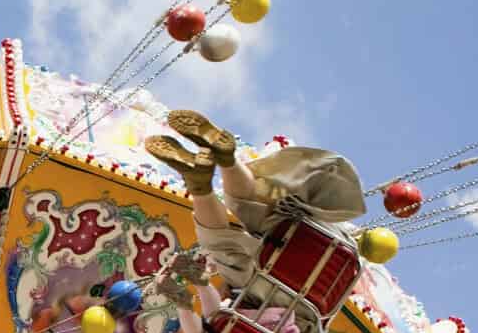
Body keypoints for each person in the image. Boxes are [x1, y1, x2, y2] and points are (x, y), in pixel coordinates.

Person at [143, 111, 365, 291]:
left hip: (303, 230)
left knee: (252, 201)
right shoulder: (348, 267)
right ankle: (199, 186)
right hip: (273, 284)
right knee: (220, 242)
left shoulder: (346, 240)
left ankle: (228, 161)